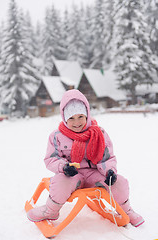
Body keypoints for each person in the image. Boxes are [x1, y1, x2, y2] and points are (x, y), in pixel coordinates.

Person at [27, 89, 144, 227]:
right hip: (72, 175)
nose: (76, 122)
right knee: (59, 181)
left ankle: (127, 211)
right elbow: (51, 159)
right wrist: (64, 167)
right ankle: (50, 211)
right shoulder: (56, 136)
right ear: (64, 118)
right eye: (71, 118)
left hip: (95, 174)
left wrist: (109, 171)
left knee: (120, 182)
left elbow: (107, 157)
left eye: (80, 117)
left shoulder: (99, 133)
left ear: (87, 114)